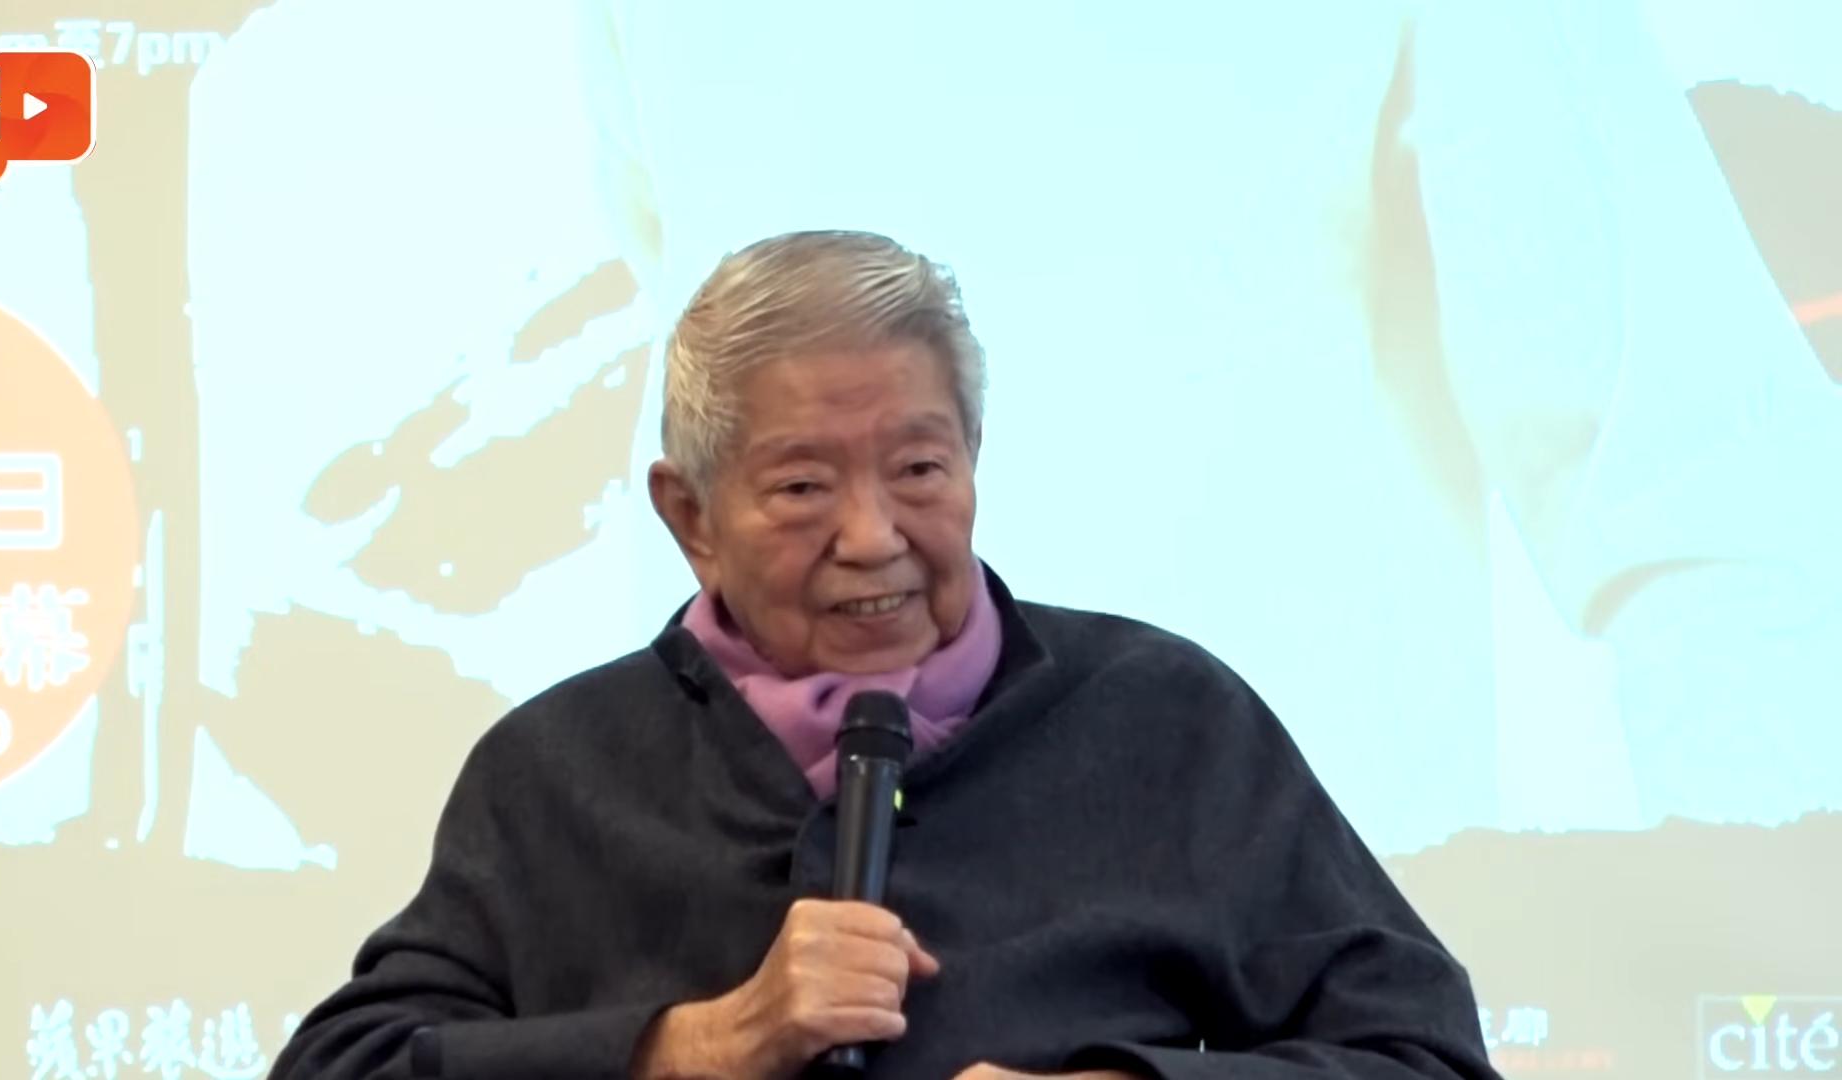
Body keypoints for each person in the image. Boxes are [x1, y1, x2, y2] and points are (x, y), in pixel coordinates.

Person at [269, 231, 1499, 1080]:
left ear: (973, 462)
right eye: (804, 486)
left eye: (918, 469)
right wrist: (699, 1047)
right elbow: (343, 1066)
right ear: (690, 518)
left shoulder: (1165, 720)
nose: (874, 536)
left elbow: (1423, 1055)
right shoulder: (561, 767)